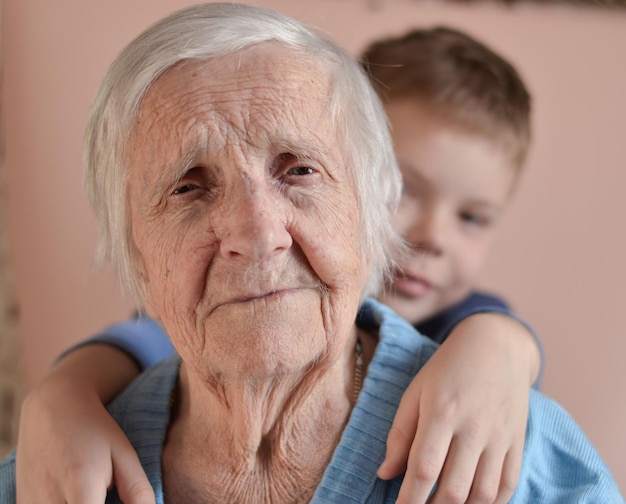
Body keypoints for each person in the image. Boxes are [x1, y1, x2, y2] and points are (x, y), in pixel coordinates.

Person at [0, 3, 622, 503]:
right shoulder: (48, 478)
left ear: (369, 207)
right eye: (188, 185)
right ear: (133, 250)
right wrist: (60, 393)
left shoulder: (527, 463)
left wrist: (504, 344)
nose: (257, 232)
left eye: (298, 169)